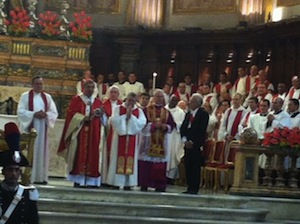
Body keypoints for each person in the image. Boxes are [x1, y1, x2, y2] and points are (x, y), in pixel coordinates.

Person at [57, 79, 106, 188]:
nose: (90, 89)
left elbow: (104, 118)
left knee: (93, 153)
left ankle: (91, 181)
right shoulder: (77, 99)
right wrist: (85, 118)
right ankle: (78, 180)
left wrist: (101, 114)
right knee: (79, 153)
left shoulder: (97, 101)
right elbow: (72, 114)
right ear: (83, 88)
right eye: (88, 87)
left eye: (92, 87)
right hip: (79, 132)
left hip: (94, 132)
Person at [17, 76, 58, 184]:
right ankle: (29, 176)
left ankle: (40, 177)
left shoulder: (47, 97)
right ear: (32, 84)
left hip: (42, 128)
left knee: (41, 152)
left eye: (41, 84)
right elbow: (20, 111)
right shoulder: (25, 96)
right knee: (31, 151)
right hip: (31, 127)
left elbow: (54, 112)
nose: (39, 86)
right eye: (37, 84)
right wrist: (34, 114)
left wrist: (46, 114)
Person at [0, 122, 39, 224]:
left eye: (17, 170)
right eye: (10, 170)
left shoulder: (28, 194)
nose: (13, 174)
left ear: (20, 173)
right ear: (3, 171)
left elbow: (33, 221)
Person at [107, 92, 146, 190]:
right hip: (119, 139)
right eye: (129, 100)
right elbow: (113, 121)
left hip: (132, 139)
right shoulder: (118, 108)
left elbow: (142, 123)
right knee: (117, 158)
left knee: (131, 160)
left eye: (133, 101)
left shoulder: (139, 111)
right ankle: (115, 182)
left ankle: (128, 183)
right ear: (126, 99)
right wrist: (125, 117)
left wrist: (131, 117)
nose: (131, 103)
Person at [138, 89, 175, 192]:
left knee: (159, 165)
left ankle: (159, 185)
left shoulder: (167, 112)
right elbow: (141, 124)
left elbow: (172, 126)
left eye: (161, 96)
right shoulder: (146, 110)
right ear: (153, 98)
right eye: (157, 96)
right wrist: (153, 125)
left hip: (161, 142)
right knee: (146, 164)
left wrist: (165, 127)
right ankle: (144, 184)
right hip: (148, 141)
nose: (159, 98)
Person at [180, 93, 209, 194]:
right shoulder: (188, 114)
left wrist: (192, 141)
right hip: (187, 144)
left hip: (196, 144)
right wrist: (185, 140)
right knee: (188, 165)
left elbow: (201, 130)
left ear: (197, 103)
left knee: (195, 166)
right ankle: (189, 186)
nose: (189, 103)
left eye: (191, 101)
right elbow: (183, 128)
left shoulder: (203, 114)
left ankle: (194, 187)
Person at [101, 86, 122, 185]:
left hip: (118, 132)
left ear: (118, 94)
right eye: (112, 92)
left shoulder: (122, 105)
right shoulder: (103, 105)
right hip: (107, 131)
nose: (113, 94)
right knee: (106, 154)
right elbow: (101, 118)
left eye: (115, 92)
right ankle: (105, 178)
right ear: (109, 93)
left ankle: (115, 180)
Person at [165, 95, 186, 184]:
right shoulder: (164, 109)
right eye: (172, 99)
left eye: (175, 100)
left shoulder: (181, 112)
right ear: (169, 100)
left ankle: (170, 178)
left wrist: (174, 124)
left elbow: (182, 125)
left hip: (174, 136)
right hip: (164, 135)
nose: (173, 101)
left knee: (173, 156)